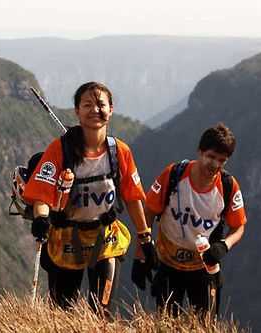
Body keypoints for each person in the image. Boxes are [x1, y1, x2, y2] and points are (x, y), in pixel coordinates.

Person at [22, 81, 155, 312]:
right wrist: (42, 218)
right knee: (63, 313)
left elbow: (132, 197)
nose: (95, 110)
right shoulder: (60, 150)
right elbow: (42, 193)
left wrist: (145, 237)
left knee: (101, 312)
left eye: (101, 104)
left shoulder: (119, 152)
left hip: (105, 239)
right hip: (67, 239)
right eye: (87, 105)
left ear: (111, 109)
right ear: (77, 111)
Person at [135, 123, 246, 316]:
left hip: (205, 268)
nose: (215, 165)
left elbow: (238, 227)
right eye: (211, 156)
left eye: (222, 160)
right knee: (166, 325)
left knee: (205, 327)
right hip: (168, 265)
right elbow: (149, 212)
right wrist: (140, 255)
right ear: (199, 151)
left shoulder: (228, 186)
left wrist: (223, 245)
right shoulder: (173, 174)